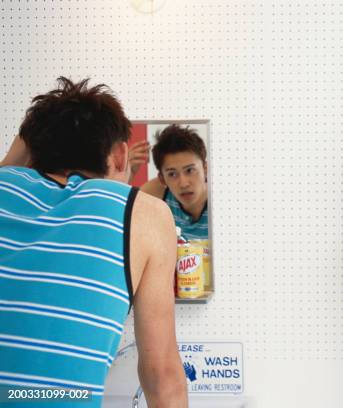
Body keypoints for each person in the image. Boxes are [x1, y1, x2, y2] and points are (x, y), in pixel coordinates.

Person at [0, 77, 187, 407]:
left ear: (32, 151)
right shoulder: (144, 213)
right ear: (119, 155)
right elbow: (163, 379)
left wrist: (31, 138)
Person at [129, 124, 208, 240]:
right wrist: (127, 174)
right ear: (162, 178)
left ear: (206, 169)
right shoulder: (157, 193)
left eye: (190, 170)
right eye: (172, 174)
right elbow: (120, 217)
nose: (183, 183)